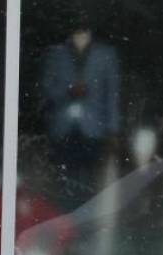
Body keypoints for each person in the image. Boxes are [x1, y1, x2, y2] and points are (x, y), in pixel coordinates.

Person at [41, 17, 122, 208]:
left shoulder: (106, 54)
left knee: (90, 178)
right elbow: (45, 87)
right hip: (63, 126)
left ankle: (87, 217)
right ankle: (65, 217)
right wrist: (67, 91)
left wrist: (113, 129)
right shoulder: (56, 53)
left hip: (94, 126)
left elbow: (112, 93)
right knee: (64, 177)